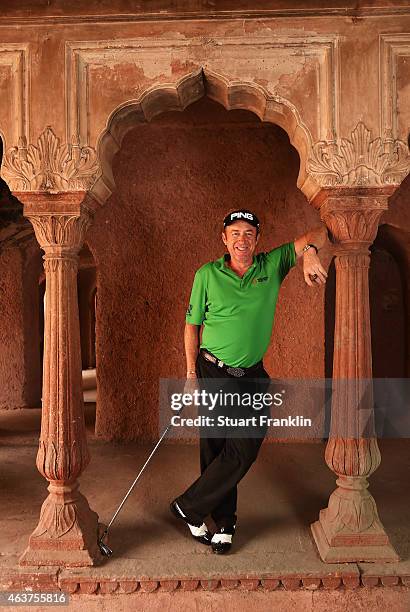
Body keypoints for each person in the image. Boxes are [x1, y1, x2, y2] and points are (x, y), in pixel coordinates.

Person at [170, 209, 328, 554]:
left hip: (252, 374)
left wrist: (309, 254)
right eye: (235, 233)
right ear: (224, 239)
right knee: (215, 448)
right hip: (212, 369)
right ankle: (221, 523)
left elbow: (320, 232)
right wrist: (190, 374)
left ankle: (189, 505)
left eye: (249, 233)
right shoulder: (206, 275)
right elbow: (191, 326)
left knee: (243, 446)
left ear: (257, 238)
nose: (242, 239)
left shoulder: (271, 264)